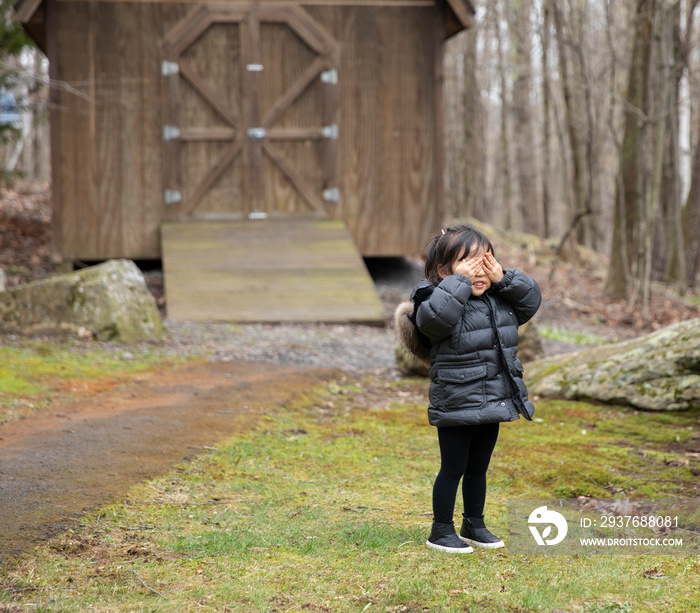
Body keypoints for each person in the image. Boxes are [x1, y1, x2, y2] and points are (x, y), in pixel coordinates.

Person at [408, 224, 541, 553]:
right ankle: (440, 530)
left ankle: (474, 524)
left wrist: (505, 278)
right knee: (453, 467)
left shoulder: (499, 300)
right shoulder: (432, 298)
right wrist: (459, 282)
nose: (478, 271)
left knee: (478, 467)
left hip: (492, 398)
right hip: (456, 400)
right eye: (467, 264)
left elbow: (530, 302)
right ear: (444, 271)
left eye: (485, 262)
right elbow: (436, 320)